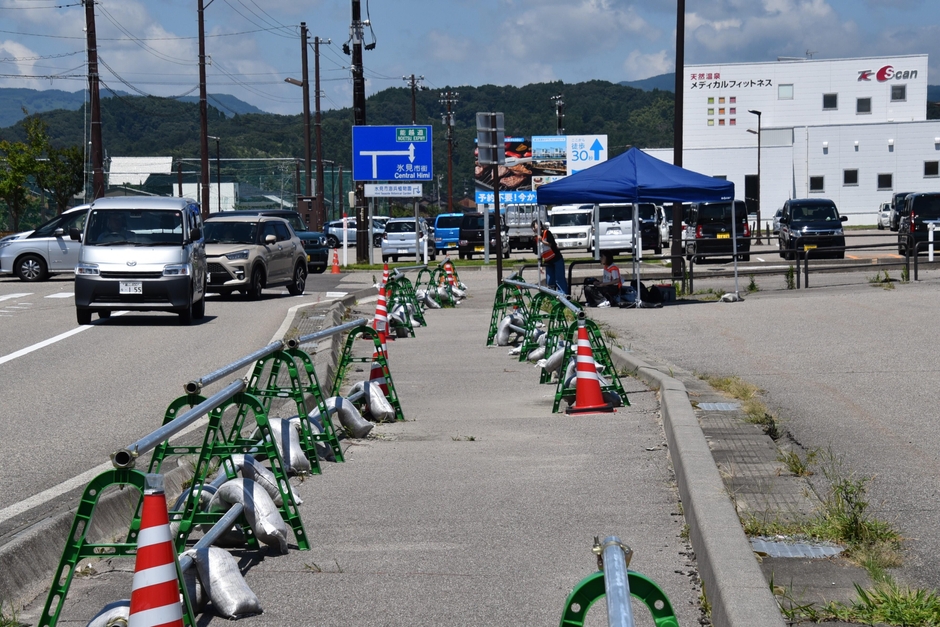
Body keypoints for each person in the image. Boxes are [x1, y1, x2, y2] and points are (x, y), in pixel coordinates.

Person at [532, 219, 568, 295]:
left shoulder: (547, 233)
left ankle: (563, 295)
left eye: (534, 226)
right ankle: (552, 296)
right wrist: (540, 264)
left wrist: (542, 241)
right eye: (532, 227)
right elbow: (539, 252)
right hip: (548, 261)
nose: (533, 229)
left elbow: (552, 244)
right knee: (550, 281)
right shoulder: (536, 238)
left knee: (559, 279)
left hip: (556, 259)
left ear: (540, 226)